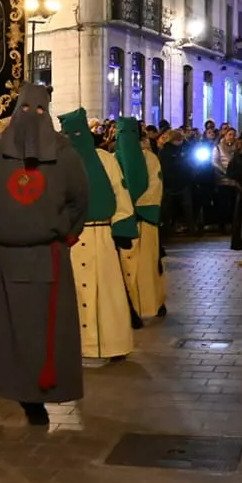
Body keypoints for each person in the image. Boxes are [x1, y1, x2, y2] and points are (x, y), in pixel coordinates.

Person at [0, 84, 90, 431]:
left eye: (40, 111)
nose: (32, 117)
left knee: (35, 335)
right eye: (26, 110)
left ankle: (33, 399)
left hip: (43, 258)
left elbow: (80, 202)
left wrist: (58, 235)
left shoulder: (65, 154)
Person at [58, 110, 135, 363]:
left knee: (106, 296)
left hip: (100, 236)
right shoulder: (59, 160)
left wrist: (122, 229)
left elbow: (119, 192)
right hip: (71, 239)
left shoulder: (104, 160)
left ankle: (110, 344)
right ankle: (79, 348)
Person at [116, 119, 166, 317]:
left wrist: (140, 208)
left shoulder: (150, 159)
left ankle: (151, 303)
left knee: (147, 265)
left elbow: (156, 185)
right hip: (124, 220)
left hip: (144, 221)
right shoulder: (112, 159)